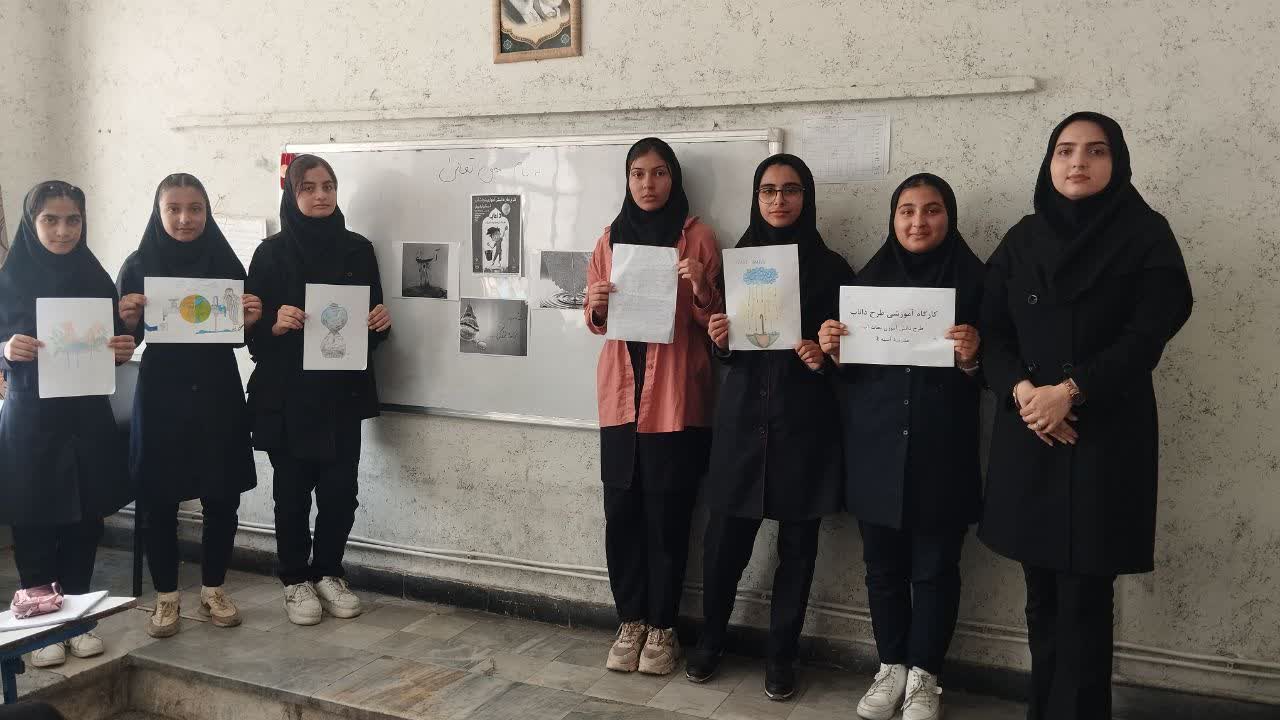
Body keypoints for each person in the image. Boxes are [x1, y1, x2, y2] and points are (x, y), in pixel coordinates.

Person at [979, 112, 1193, 720]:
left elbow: (1149, 333)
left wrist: (1071, 391)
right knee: (1041, 596)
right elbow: (992, 331)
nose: (1078, 162)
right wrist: (1024, 392)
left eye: (1096, 151)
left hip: (1103, 434)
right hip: (1031, 430)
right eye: (1065, 150)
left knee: (1085, 599)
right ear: (1049, 162)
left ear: (1116, 162)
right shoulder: (1023, 238)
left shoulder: (1146, 235)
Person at [687, 154, 853, 700]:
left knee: (798, 552)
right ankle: (711, 639)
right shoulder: (737, 262)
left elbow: (853, 356)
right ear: (756, 198)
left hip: (803, 428)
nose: (779, 200)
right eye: (768, 190)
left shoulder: (833, 268)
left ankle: (782, 654)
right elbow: (729, 351)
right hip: (741, 425)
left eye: (791, 189)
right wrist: (720, 340)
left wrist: (824, 358)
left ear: (807, 197)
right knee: (723, 547)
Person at [819, 174, 985, 720]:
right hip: (876, 451)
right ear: (892, 219)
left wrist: (972, 359)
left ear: (949, 217)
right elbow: (852, 381)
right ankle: (891, 665)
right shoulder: (866, 285)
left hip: (943, 452)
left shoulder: (977, 283)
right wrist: (837, 354)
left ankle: (925, 676)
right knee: (882, 569)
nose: (918, 222)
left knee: (935, 569)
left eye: (932, 210)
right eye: (907, 210)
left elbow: (1000, 374)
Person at [585, 137, 722, 675]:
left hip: (674, 401)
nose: (648, 184)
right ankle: (631, 620)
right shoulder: (609, 238)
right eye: (638, 173)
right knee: (621, 516)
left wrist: (703, 287)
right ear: (627, 180)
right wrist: (596, 306)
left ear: (674, 179)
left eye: (659, 173)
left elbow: (720, 324)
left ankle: (663, 628)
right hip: (620, 401)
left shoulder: (699, 238)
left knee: (668, 518)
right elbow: (596, 320)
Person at [245, 155, 392, 626]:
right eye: (307, 187)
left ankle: (329, 572)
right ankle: (294, 579)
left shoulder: (358, 249)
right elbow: (251, 337)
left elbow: (370, 327)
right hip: (288, 396)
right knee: (291, 494)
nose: (321, 195)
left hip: (341, 394)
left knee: (340, 492)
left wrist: (379, 323)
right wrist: (274, 324)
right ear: (292, 195)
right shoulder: (270, 254)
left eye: (328, 186)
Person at [116, 173, 262, 638]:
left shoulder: (225, 261)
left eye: (195, 208)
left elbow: (238, 338)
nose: (185, 218)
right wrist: (126, 319)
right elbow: (124, 342)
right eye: (174, 209)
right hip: (161, 392)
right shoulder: (138, 265)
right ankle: (166, 597)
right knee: (159, 497)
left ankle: (214, 588)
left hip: (217, 390)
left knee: (222, 495)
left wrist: (249, 322)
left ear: (207, 212)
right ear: (158, 213)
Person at [0, 181, 135, 668]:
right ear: (31, 223)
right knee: (35, 520)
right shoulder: (8, 280)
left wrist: (124, 347)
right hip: (32, 419)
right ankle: (41, 628)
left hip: (86, 417)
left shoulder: (95, 277)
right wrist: (4, 349)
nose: (63, 230)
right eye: (50, 220)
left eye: (72, 220)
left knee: (85, 518)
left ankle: (77, 619)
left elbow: (112, 342)